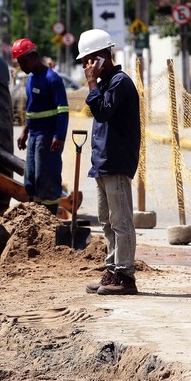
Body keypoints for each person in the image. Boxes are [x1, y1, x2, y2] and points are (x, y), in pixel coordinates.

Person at [77, 29, 141, 296]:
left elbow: (103, 112)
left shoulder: (119, 83)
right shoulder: (105, 84)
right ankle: (112, 269)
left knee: (121, 220)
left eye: (89, 61)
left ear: (102, 57)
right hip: (103, 163)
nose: (85, 68)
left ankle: (125, 275)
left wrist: (91, 84)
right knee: (106, 220)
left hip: (116, 162)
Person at [12, 38, 69, 216]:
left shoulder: (52, 79)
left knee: (47, 177)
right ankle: (36, 217)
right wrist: (25, 132)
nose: (22, 66)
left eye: (24, 61)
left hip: (48, 136)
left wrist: (59, 136)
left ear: (35, 57)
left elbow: (63, 110)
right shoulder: (31, 80)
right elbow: (31, 110)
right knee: (32, 178)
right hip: (35, 135)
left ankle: (50, 216)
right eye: (19, 62)